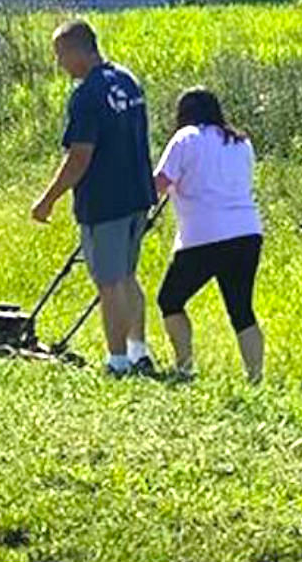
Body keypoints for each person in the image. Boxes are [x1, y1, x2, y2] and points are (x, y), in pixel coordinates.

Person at [31, 19, 159, 377]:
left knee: (108, 281)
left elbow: (79, 157)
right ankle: (139, 351)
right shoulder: (127, 80)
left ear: (77, 51)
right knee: (128, 276)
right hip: (137, 194)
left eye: (60, 55)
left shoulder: (87, 96)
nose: (59, 64)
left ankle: (117, 361)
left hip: (106, 200)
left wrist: (48, 200)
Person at [153, 87, 265, 383]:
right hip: (247, 232)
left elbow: (160, 183)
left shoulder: (186, 138)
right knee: (241, 308)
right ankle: (255, 377)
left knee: (170, 300)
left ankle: (185, 366)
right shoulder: (241, 143)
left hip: (203, 236)